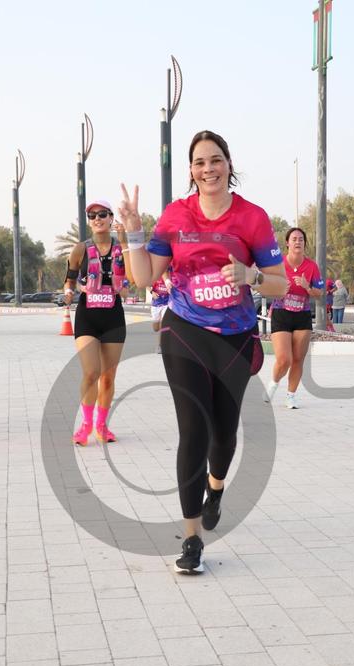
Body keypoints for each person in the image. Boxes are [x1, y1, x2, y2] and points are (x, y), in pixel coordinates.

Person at [118, 130, 289, 574]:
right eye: (199, 162)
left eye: (215, 160)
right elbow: (143, 277)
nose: (208, 169)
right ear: (191, 171)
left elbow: (281, 284)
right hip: (185, 330)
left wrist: (251, 276)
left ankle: (216, 486)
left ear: (229, 165)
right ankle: (192, 537)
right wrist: (134, 233)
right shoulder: (176, 215)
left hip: (234, 337)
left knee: (224, 435)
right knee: (193, 430)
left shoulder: (252, 218)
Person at [63, 200, 132, 445]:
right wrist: (68, 292)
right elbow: (69, 279)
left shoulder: (121, 248)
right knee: (91, 372)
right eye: (92, 216)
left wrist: (124, 242)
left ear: (111, 218)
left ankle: (102, 426)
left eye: (102, 214)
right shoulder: (80, 249)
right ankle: (86, 425)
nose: (97, 219)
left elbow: (132, 278)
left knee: (108, 376)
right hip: (87, 317)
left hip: (113, 316)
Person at [263, 227, 324, 408]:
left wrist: (307, 287)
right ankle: (273, 383)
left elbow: (319, 293)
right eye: (294, 239)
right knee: (284, 359)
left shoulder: (311, 266)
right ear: (287, 243)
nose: (298, 242)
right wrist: (281, 289)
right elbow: (267, 288)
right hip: (281, 313)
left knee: (298, 359)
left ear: (305, 244)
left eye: (301, 239)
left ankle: (291, 396)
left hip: (302, 315)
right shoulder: (279, 263)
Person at [150, 272, 171, 352]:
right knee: (156, 328)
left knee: (163, 324)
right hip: (156, 304)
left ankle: (160, 346)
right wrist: (152, 292)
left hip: (167, 303)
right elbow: (147, 285)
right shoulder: (156, 275)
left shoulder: (171, 276)